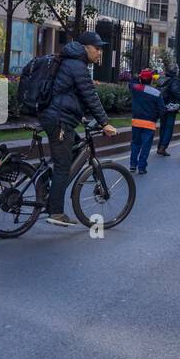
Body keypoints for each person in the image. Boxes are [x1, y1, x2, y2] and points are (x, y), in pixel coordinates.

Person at [40, 32, 118, 226]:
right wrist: (105, 123)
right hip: (59, 121)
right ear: (85, 48)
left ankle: (46, 182)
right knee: (63, 166)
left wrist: (80, 115)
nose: (100, 53)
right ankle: (56, 212)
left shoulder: (70, 60)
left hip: (58, 117)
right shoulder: (77, 65)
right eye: (97, 48)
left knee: (74, 147)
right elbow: (90, 95)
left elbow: (72, 94)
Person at [128, 68, 164, 175]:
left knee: (135, 144)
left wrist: (136, 77)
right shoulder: (157, 93)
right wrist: (155, 117)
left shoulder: (135, 88)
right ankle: (142, 167)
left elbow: (131, 83)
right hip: (150, 123)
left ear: (141, 79)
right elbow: (162, 110)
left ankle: (133, 165)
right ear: (151, 80)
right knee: (146, 146)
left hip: (136, 122)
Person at [155, 68, 180, 156]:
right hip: (171, 106)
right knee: (169, 127)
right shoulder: (175, 80)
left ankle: (160, 146)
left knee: (163, 127)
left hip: (162, 105)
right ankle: (163, 147)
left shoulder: (162, 78)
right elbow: (175, 91)